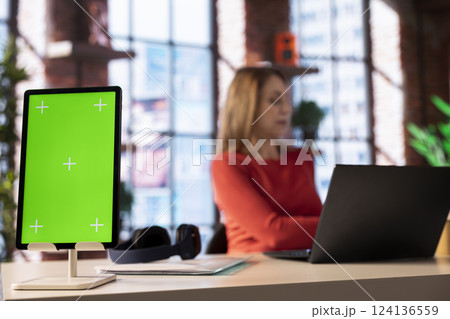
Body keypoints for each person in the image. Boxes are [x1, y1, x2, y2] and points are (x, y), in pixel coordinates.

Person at [211, 67, 322, 254]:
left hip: (310, 266)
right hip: (254, 273)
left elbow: (326, 222)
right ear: (247, 106)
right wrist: (343, 227)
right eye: (275, 101)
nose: (286, 110)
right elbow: (273, 233)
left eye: (287, 100)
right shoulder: (228, 164)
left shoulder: (301, 158)